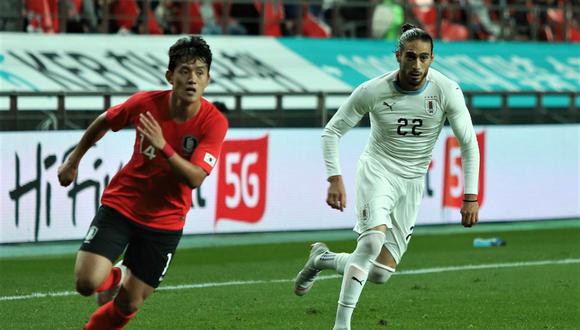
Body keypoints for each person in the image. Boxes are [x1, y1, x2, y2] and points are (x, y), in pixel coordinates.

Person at [293, 23, 480, 330]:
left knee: (380, 273)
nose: (416, 65)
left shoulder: (447, 90)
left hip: (413, 181)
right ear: (398, 56)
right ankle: (342, 325)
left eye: (423, 58)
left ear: (432, 59)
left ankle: (322, 259)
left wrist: (470, 196)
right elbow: (332, 131)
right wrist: (334, 177)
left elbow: (468, 144)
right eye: (410, 57)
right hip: (377, 170)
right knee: (369, 245)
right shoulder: (373, 90)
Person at [57, 36, 228, 329]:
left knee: (128, 304)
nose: (192, 79)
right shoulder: (145, 103)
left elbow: (196, 177)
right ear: (169, 76)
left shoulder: (213, 122)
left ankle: (120, 280)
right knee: (86, 283)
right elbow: (104, 121)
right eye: (185, 71)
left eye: (200, 72)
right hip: (123, 205)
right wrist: (73, 160)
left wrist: (164, 147)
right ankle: (116, 275)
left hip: (166, 221)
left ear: (208, 80)